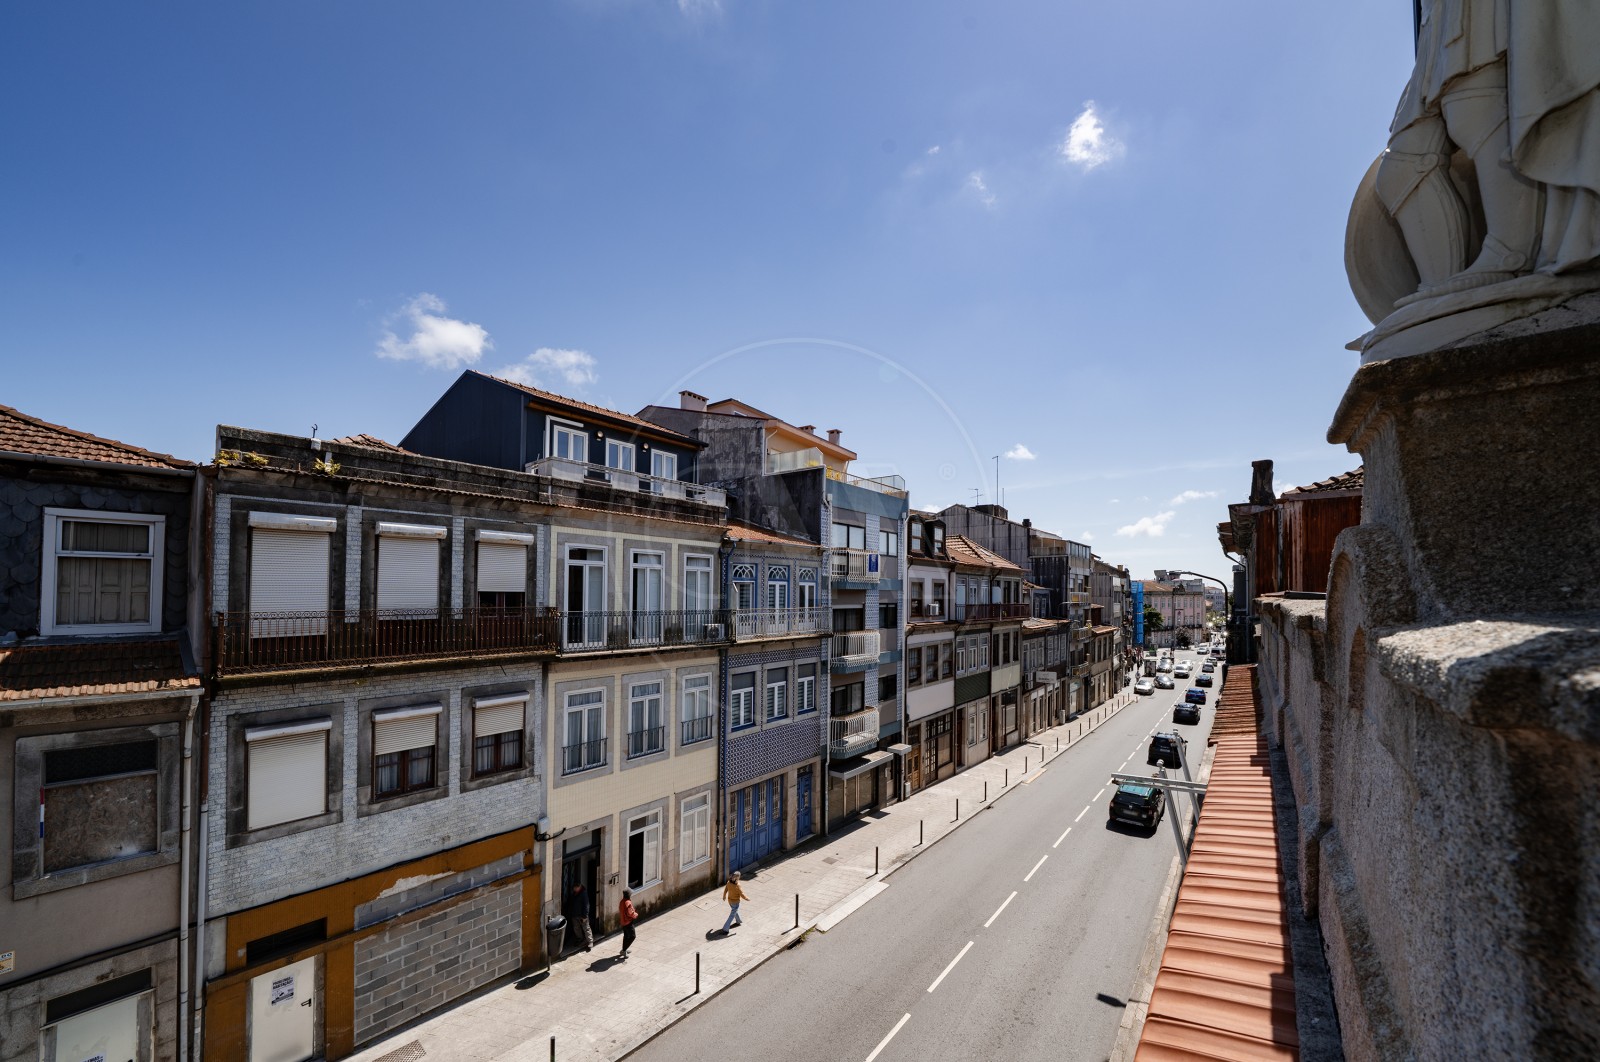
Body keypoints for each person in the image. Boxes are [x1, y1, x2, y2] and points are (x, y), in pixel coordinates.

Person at [565, 881, 593, 953]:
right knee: (576, 928)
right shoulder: (574, 894)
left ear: (579, 887)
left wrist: (585, 916)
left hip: (582, 915)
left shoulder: (583, 894)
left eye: (575, 888)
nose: (574, 889)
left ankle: (590, 942)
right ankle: (580, 939)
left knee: (586, 928)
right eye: (574, 888)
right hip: (574, 914)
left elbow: (586, 905)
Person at [618, 890, 638, 961]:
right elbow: (630, 913)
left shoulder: (622, 901)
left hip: (623, 922)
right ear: (628, 895)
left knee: (626, 936)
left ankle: (624, 949)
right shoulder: (628, 903)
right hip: (628, 922)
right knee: (633, 936)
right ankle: (624, 950)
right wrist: (635, 914)